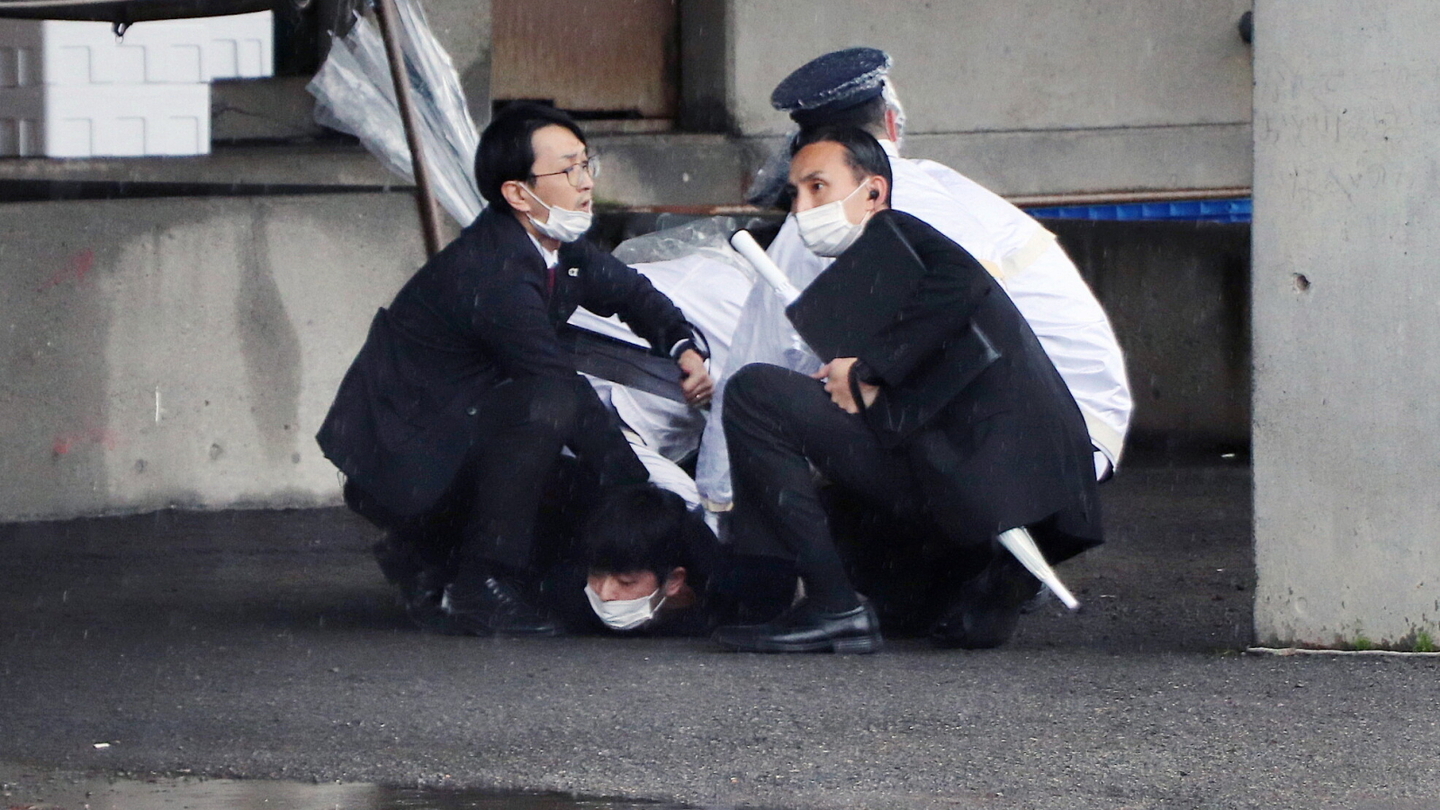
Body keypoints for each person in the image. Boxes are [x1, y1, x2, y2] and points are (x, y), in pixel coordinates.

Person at [316, 103, 713, 636]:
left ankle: (429, 556)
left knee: (576, 486)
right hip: (402, 455)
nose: (585, 182)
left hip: (453, 430)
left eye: (586, 164)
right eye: (567, 170)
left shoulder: (556, 248)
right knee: (549, 409)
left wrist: (684, 347)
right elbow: (559, 388)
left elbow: (633, 294)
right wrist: (639, 499)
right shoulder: (495, 271)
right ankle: (479, 582)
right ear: (518, 194)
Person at [710, 127, 1102, 654]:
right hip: (981, 485)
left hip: (977, 474)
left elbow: (962, 281)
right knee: (895, 597)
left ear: (873, 192)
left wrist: (868, 370)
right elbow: (934, 374)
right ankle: (968, 587)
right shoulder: (872, 273)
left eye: (818, 187)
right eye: (795, 193)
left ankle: (828, 605)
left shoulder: (896, 234)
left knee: (755, 393)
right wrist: (863, 384)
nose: (802, 208)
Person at [695, 47, 1132, 514]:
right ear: (890, 121)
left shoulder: (842, 208)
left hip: (1023, 446)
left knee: (766, 396)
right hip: (1086, 428)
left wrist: (718, 502)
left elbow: (765, 350)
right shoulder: (939, 184)